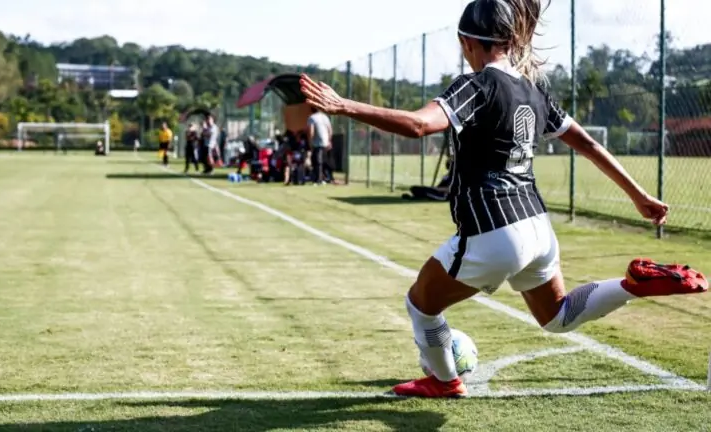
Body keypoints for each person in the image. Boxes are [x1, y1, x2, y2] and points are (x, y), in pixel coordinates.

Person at [299, 0, 708, 399]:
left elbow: (419, 125)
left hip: (493, 228)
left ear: (467, 43)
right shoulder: (533, 91)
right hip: (537, 228)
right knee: (558, 316)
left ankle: (444, 381)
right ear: (511, 40)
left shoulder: (476, 86)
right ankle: (632, 285)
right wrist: (638, 195)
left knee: (420, 305)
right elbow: (584, 142)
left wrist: (343, 105)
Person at [307, 107, 332, 185]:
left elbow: (311, 132)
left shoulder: (312, 118)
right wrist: (329, 141)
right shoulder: (325, 117)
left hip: (317, 143)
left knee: (317, 161)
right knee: (324, 161)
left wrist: (310, 142)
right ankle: (327, 178)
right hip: (325, 142)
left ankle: (318, 179)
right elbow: (330, 130)